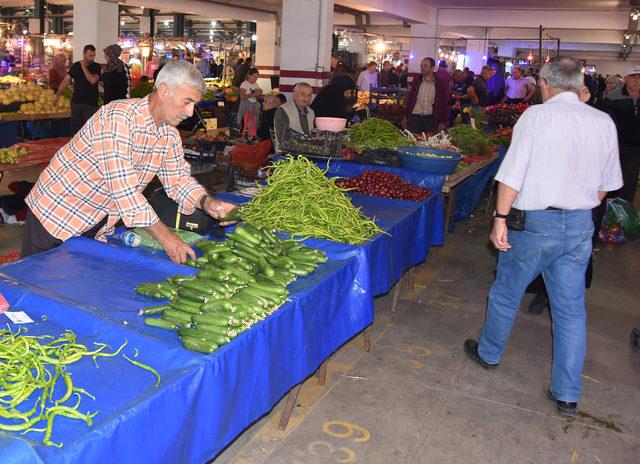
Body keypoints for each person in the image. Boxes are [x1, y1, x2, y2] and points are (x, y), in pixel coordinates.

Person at [463, 56, 623, 417]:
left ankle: (489, 353)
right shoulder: (602, 121)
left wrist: (499, 219)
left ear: (545, 84)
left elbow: (511, 176)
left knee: (507, 292)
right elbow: (604, 189)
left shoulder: (536, 117)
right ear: (579, 83)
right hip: (581, 226)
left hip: (535, 225)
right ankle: (567, 393)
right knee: (570, 311)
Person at [23, 61, 237, 264]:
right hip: (56, 215)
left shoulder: (169, 135)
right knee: (36, 288)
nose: (190, 112)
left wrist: (208, 203)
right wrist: (166, 238)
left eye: (194, 104)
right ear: (163, 92)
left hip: (95, 221)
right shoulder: (118, 118)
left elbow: (178, 180)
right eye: (187, 102)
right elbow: (124, 191)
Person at [601, 65, 640, 204]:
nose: (636, 80)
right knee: (611, 178)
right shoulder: (612, 97)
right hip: (616, 146)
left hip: (636, 148)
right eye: (632, 77)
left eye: (639, 77)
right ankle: (608, 211)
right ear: (625, 79)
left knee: (630, 180)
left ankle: (624, 212)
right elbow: (605, 122)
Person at [55, 44, 101, 134]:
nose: (92, 58)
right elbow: (66, 81)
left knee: (89, 131)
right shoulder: (76, 66)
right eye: (90, 55)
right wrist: (57, 94)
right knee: (75, 131)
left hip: (91, 104)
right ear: (84, 54)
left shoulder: (96, 66)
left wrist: (83, 66)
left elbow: (92, 80)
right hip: (77, 103)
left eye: (94, 55)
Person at [402, 57, 449, 134]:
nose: (422, 68)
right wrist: (405, 116)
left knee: (429, 143)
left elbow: (444, 104)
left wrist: (442, 121)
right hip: (415, 119)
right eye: (421, 65)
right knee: (412, 142)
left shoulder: (440, 84)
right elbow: (410, 99)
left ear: (433, 68)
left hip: (430, 120)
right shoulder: (416, 81)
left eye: (425, 66)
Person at [274, 82, 315, 147]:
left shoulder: (311, 112)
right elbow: (283, 140)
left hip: (307, 152)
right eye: (303, 94)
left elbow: (314, 136)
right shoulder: (282, 110)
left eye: (309, 95)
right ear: (295, 94)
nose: (306, 99)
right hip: (286, 155)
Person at [237, 67, 262, 138]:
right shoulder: (244, 84)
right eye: (254, 76)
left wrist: (259, 94)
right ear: (249, 76)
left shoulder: (256, 84)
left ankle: (251, 137)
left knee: (252, 123)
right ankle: (244, 137)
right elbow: (242, 97)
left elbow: (257, 97)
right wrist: (254, 94)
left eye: (257, 77)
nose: (256, 78)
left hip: (253, 105)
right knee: (245, 122)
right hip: (245, 106)